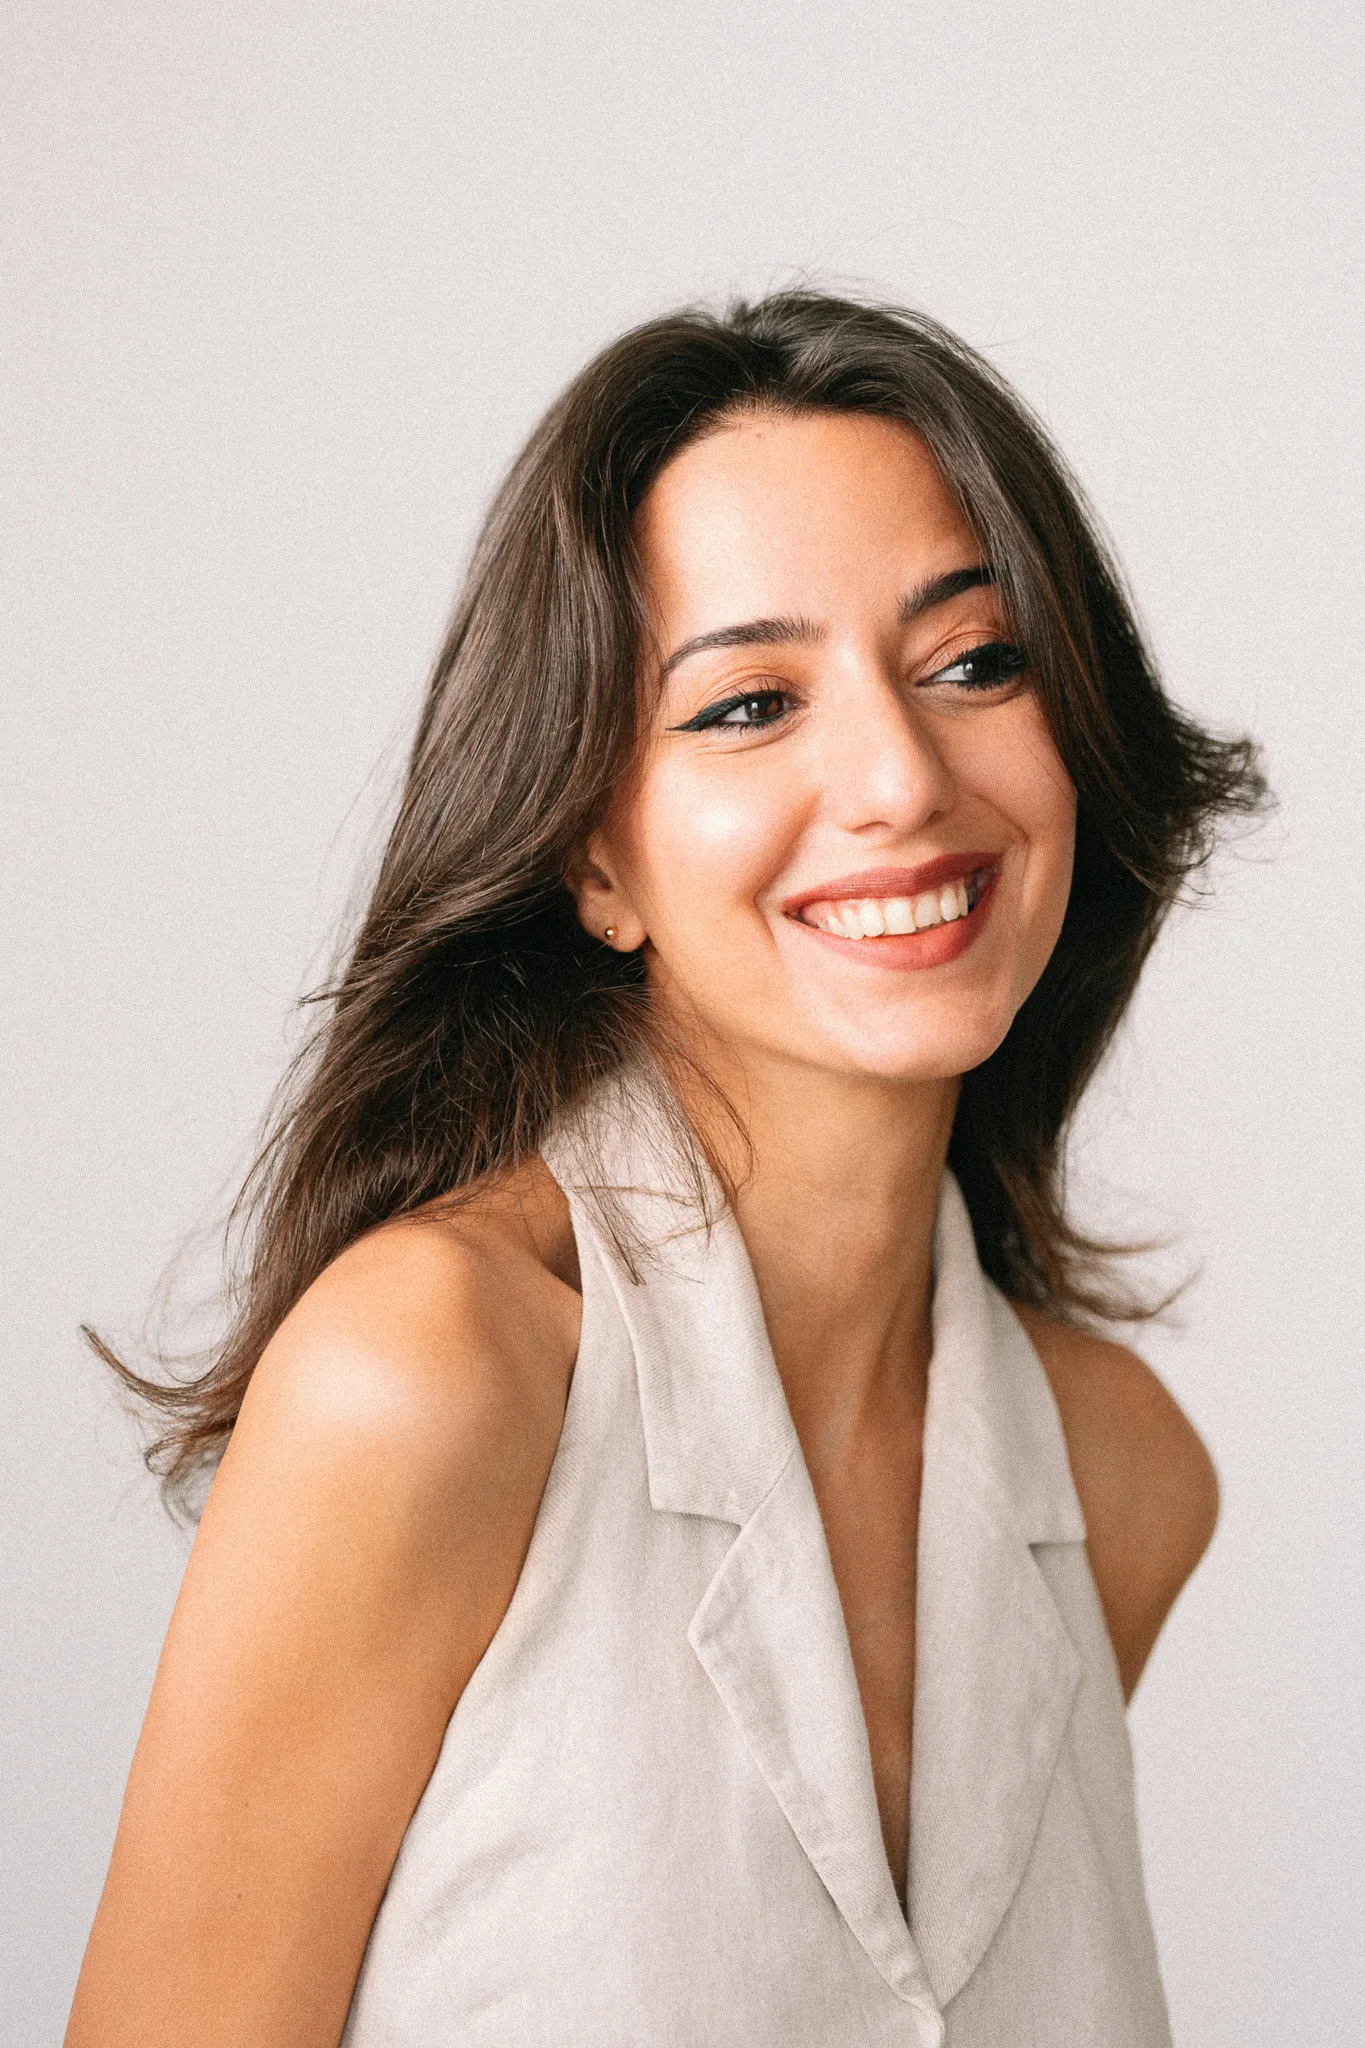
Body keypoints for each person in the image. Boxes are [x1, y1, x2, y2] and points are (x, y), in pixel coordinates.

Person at [66, 291, 1264, 2047]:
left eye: (973, 661)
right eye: (750, 703)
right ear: (593, 861)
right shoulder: (433, 1374)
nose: (897, 779)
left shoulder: (1122, 1475)